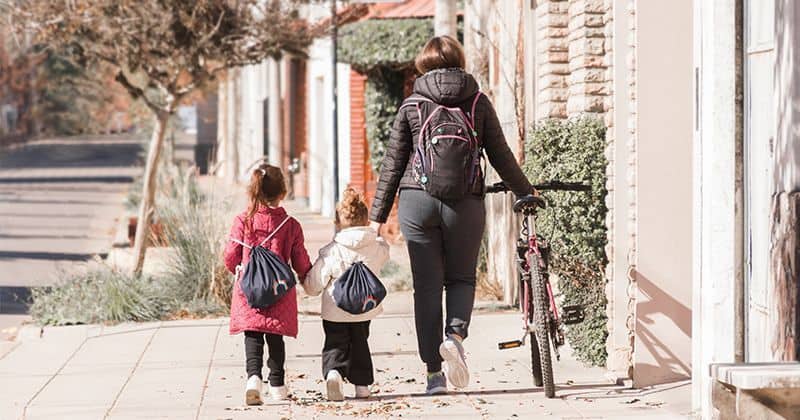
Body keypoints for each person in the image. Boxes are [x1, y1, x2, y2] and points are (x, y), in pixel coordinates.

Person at [369, 35, 535, 395]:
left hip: (417, 200)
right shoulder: (477, 102)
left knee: (426, 289)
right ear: (459, 60)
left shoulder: (412, 104)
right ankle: (455, 336)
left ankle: (433, 376)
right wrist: (525, 191)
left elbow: (393, 163)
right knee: (461, 279)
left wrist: (376, 216)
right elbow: (501, 155)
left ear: (423, 64)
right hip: (465, 202)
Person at [223, 164, 312, 405]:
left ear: (253, 191)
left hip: (249, 288)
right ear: (282, 192)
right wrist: (308, 277)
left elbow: (231, 255)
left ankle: (253, 379)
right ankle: (278, 385)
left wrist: (237, 270)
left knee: (252, 335)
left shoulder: (243, 221)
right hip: (278, 290)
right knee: (275, 337)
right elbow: (300, 259)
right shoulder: (290, 225)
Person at [303, 188, 390, 401]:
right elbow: (385, 254)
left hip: (335, 309)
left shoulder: (332, 251)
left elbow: (315, 283)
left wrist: (307, 287)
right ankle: (362, 386)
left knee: (335, 342)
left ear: (338, 222)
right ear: (364, 218)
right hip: (364, 309)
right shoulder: (376, 247)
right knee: (361, 343)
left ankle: (334, 372)